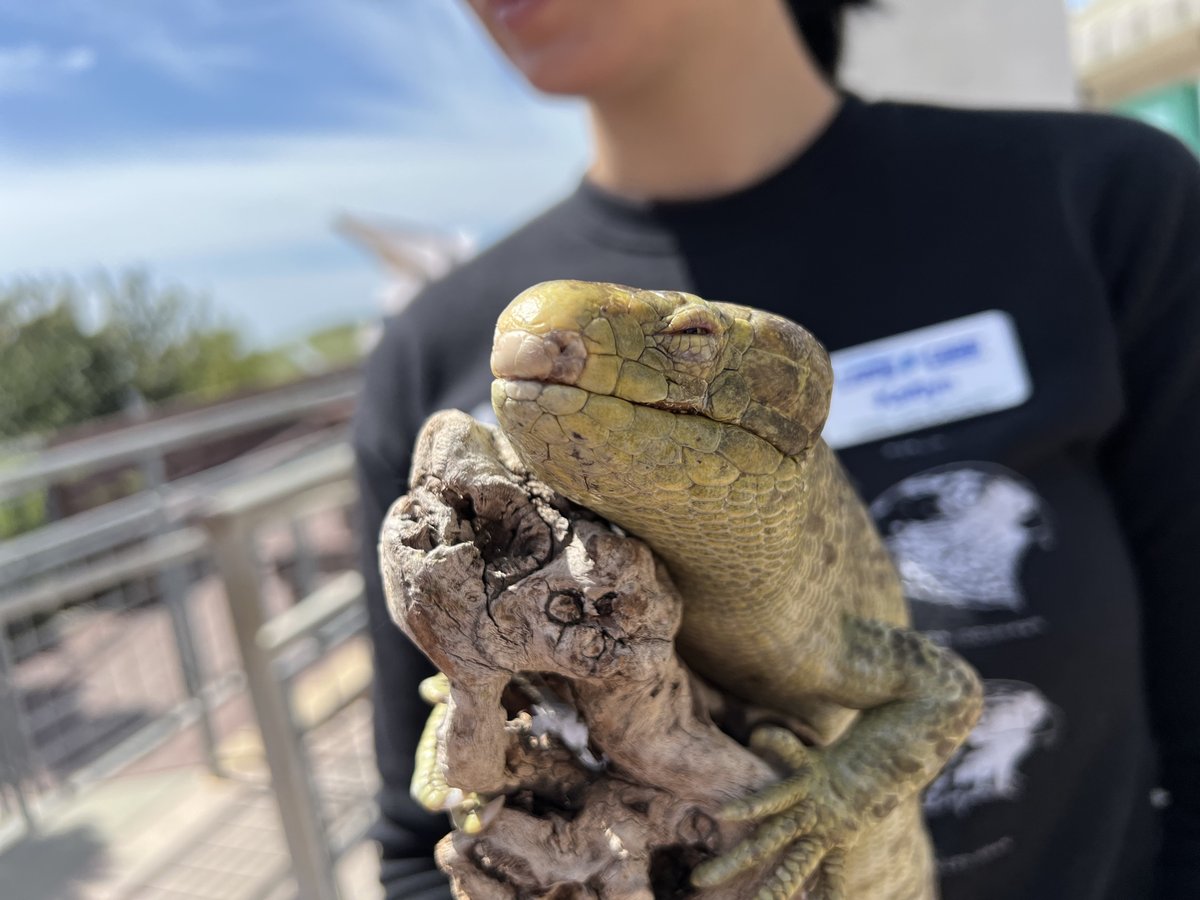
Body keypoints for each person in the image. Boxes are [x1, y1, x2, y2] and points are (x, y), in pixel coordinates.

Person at [352, 1, 1200, 897]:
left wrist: (831, 797)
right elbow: (423, 850)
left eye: (686, 344)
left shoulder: (1105, 201)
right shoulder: (426, 355)